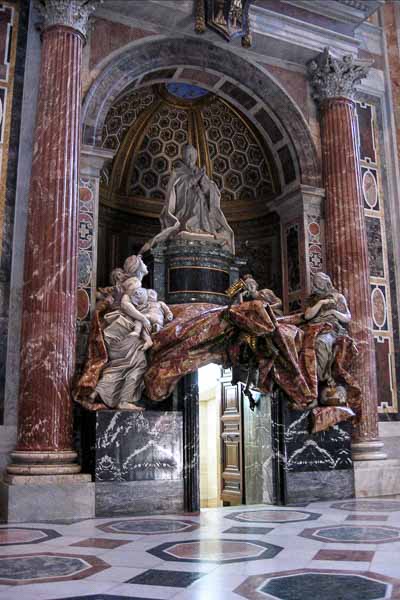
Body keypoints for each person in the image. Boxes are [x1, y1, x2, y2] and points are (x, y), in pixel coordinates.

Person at [140, 144, 234, 254]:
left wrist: (205, 183)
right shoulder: (177, 172)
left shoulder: (200, 171)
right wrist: (195, 179)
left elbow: (211, 192)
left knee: (200, 199)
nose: (191, 158)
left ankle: (203, 229)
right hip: (185, 209)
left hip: (202, 211)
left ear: (196, 156)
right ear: (183, 156)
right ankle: (189, 226)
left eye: (193, 155)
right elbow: (179, 189)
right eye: (188, 155)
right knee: (194, 198)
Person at [304, 271, 351, 386]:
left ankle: (322, 377)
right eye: (316, 282)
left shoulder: (338, 297)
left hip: (330, 329)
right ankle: (309, 381)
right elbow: (307, 316)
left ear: (326, 282)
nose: (318, 284)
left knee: (321, 342)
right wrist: (320, 302)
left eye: (320, 281)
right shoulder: (313, 299)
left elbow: (347, 317)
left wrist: (333, 312)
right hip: (313, 328)